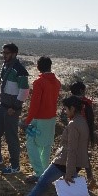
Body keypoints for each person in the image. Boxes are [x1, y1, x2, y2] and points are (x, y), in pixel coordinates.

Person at [10, 96, 94, 196]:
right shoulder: (83, 122)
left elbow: (71, 150)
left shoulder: (73, 125)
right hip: (75, 162)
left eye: (66, 109)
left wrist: (68, 173)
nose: (65, 112)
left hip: (64, 162)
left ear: (72, 108)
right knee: (76, 195)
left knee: (42, 181)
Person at [0, 43, 29, 174]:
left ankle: (15, 166)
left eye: (7, 53)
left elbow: (24, 91)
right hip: (2, 106)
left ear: (14, 54)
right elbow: (2, 86)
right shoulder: (6, 66)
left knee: (11, 138)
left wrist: (15, 107)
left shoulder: (19, 70)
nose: (4, 55)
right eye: (3, 53)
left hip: (11, 109)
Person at [20, 56, 61, 184]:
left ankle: (39, 173)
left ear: (38, 67)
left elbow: (34, 105)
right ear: (50, 66)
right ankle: (45, 172)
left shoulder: (39, 83)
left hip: (39, 119)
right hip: (51, 118)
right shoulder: (57, 82)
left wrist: (26, 121)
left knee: (32, 144)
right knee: (46, 146)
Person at [70, 81, 96, 188]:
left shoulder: (71, 102)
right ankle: (90, 177)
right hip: (86, 131)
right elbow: (91, 119)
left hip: (74, 131)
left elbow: (66, 117)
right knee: (83, 154)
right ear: (81, 91)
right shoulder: (87, 102)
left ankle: (73, 176)